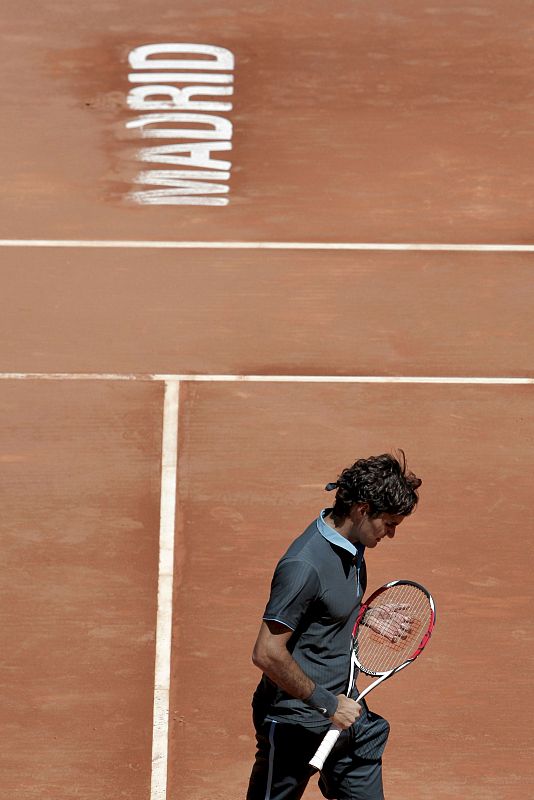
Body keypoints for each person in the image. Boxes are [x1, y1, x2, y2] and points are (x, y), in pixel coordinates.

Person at [246, 451, 422, 800]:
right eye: (388, 524)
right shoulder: (303, 565)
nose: (391, 534)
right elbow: (266, 652)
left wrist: (363, 615)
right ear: (361, 510)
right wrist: (329, 704)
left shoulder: (353, 543)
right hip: (296, 721)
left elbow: (324, 608)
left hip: (348, 717)